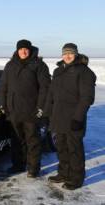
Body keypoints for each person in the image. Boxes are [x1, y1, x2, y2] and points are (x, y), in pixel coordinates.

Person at [45, 43, 96, 190]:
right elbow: (51, 94)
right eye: (65, 53)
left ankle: (76, 178)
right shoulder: (58, 70)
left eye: (70, 53)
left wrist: (78, 118)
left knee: (74, 150)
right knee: (61, 147)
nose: (67, 56)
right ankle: (64, 173)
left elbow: (87, 97)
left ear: (76, 54)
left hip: (74, 118)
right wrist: (47, 113)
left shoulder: (84, 72)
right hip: (58, 117)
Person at [0, 39, 51, 177]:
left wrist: (41, 108)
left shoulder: (38, 65)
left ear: (30, 49)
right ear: (17, 50)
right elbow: (3, 86)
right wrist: (2, 104)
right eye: (20, 49)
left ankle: (33, 169)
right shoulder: (10, 65)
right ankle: (18, 165)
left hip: (31, 111)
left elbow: (45, 88)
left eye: (25, 49)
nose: (23, 51)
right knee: (16, 140)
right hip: (13, 110)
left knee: (32, 141)